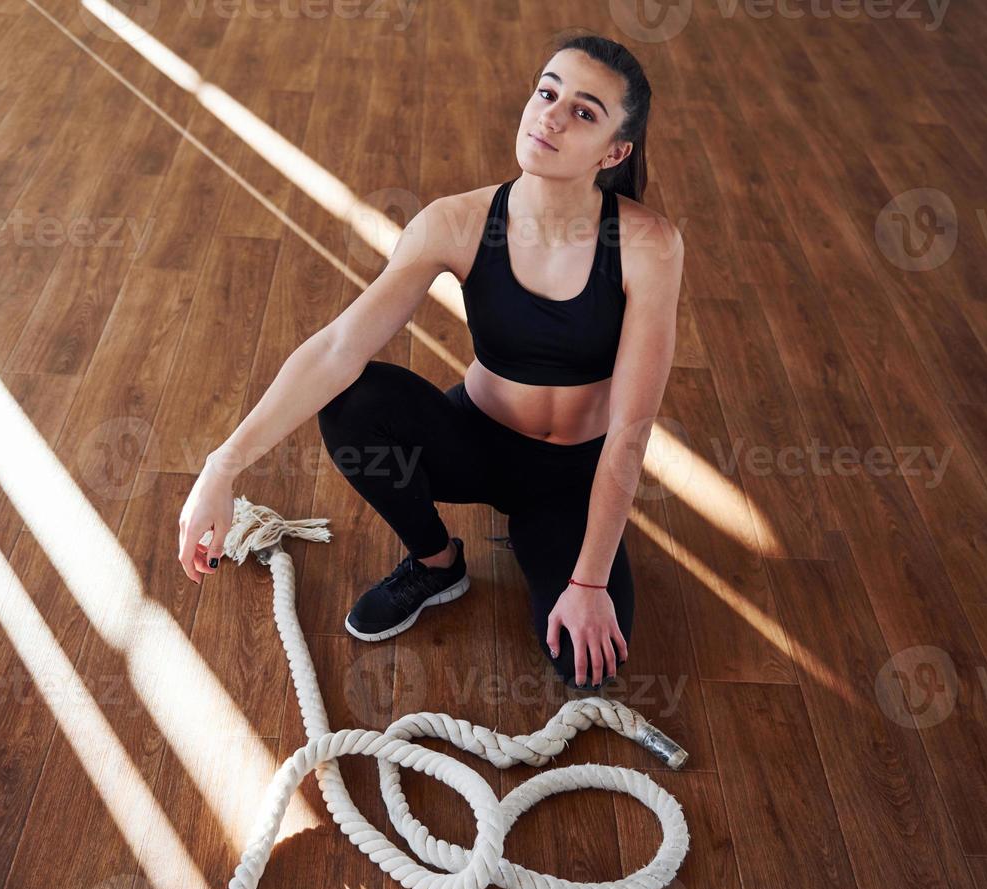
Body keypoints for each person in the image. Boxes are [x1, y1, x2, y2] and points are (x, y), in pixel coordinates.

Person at [178, 34, 683, 689]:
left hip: (574, 477)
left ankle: (553, 549)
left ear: (616, 151)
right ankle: (437, 561)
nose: (551, 116)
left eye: (584, 112)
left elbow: (632, 430)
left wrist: (589, 580)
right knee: (354, 402)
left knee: (584, 666)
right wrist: (225, 464)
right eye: (547, 92)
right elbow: (339, 347)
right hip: (476, 440)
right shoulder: (459, 222)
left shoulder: (648, 245)